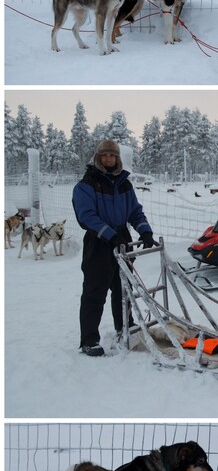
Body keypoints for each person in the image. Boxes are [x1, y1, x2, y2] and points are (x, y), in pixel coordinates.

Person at [72, 139, 158, 357]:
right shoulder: (86, 185)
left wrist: (144, 231)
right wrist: (110, 235)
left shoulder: (124, 184)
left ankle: (125, 328)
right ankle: (89, 340)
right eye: (105, 155)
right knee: (95, 292)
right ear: (98, 157)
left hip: (122, 240)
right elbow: (86, 216)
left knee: (123, 289)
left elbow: (135, 211)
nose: (108, 159)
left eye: (112, 155)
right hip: (99, 242)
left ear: (117, 158)